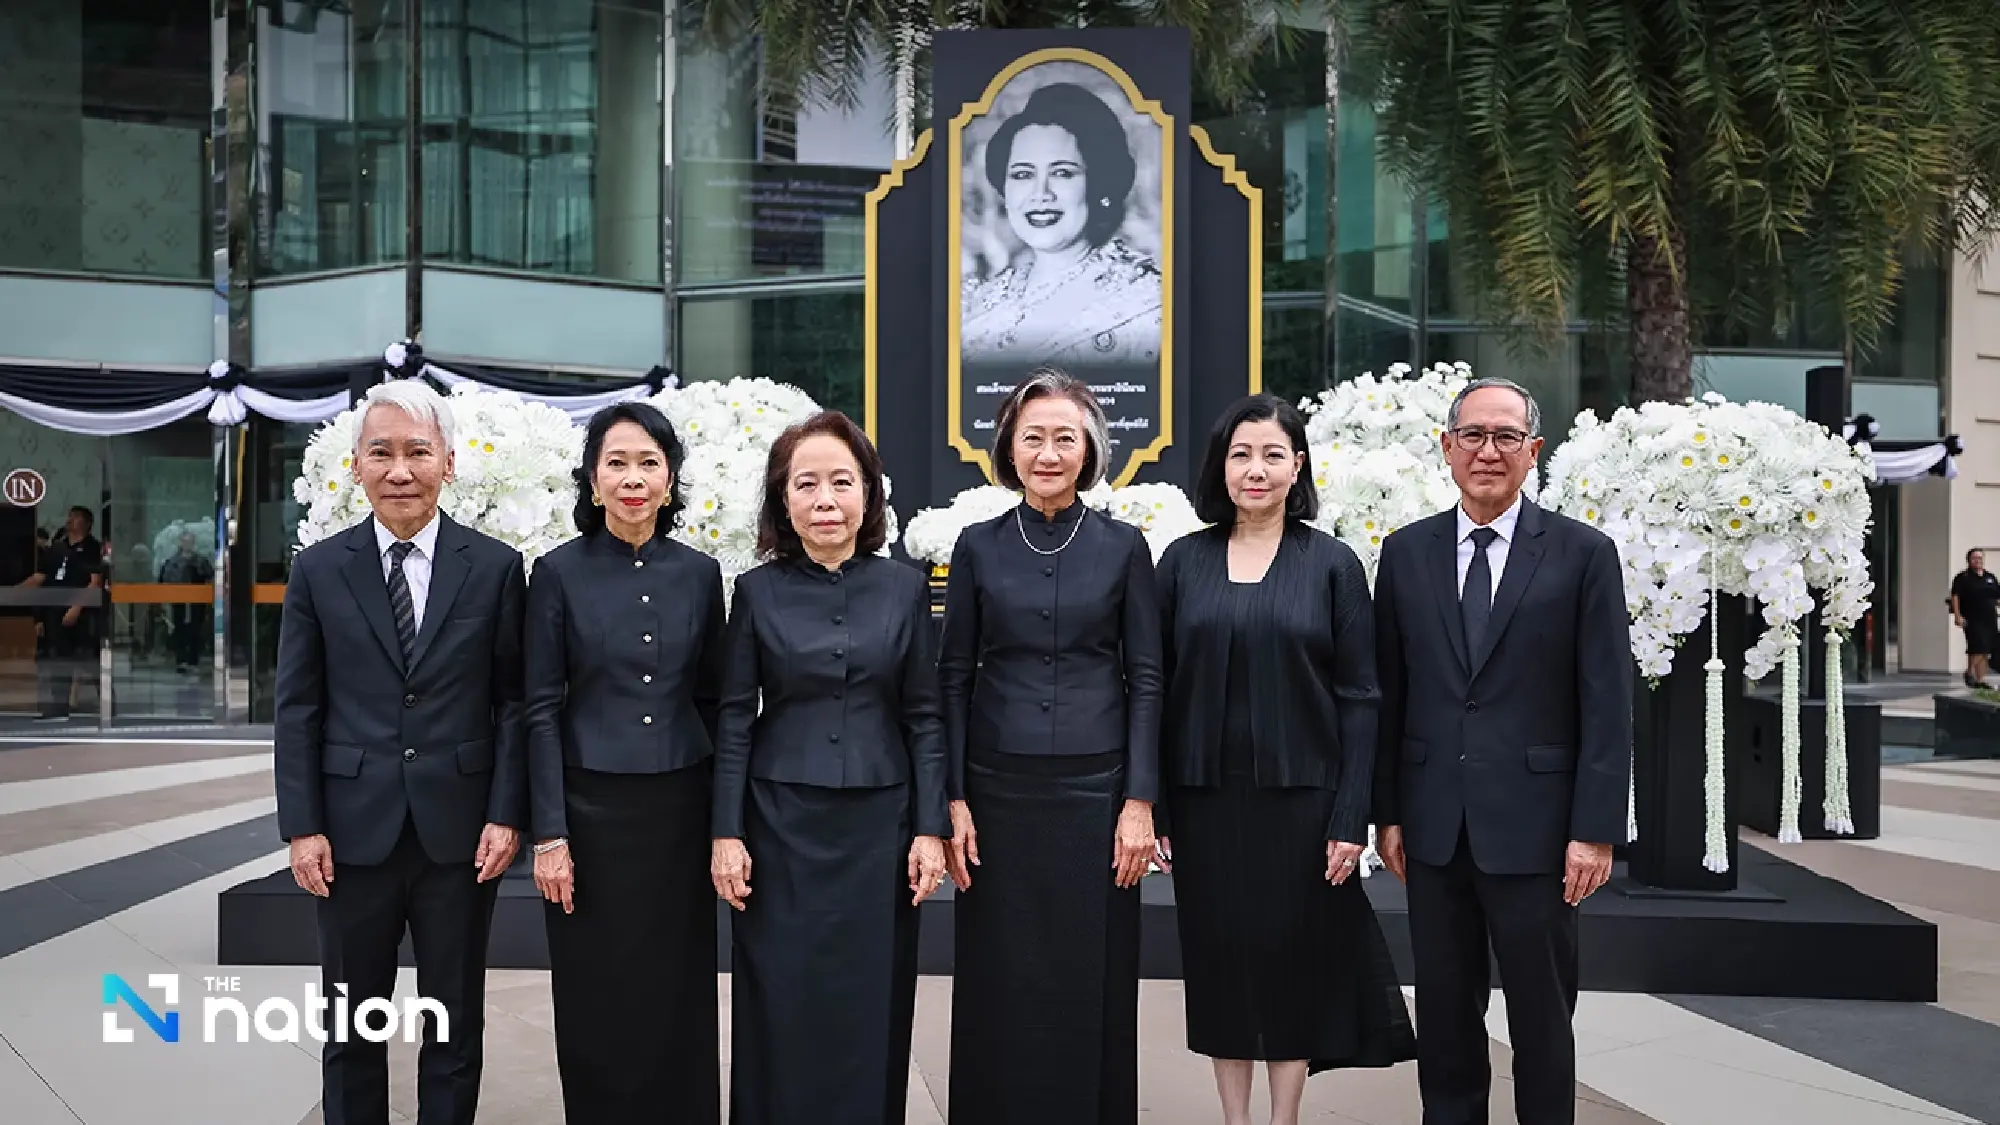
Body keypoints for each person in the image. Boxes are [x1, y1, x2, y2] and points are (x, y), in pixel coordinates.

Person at [1372, 378, 1632, 1125]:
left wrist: (1595, 829)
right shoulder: (1406, 552)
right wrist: (1387, 812)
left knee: (1542, 1018)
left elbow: (1608, 702)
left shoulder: (1584, 554)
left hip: (1541, 833)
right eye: (1474, 436)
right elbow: (1391, 692)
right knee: (1445, 1014)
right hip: (1434, 830)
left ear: (1533, 450)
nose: (1488, 451)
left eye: (1506, 437)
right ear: (1447, 446)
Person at [1156, 396, 1416, 1125]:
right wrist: (1159, 805)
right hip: (1204, 802)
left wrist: (1351, 816)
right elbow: (1154, 688)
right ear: (1221, 466)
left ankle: (1284, 1117)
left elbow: (1361, 697)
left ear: (1297, 466)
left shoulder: (1332, 564)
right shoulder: (1182, 562)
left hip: (1305, 802)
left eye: (1273, 454)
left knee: (1292, 963)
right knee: (1220, 964)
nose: (1256, 469)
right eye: (1241, 454)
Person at [274, 380, 527, 1125]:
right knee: (352, 1022)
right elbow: (298, 706)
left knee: (453, 1020)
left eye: (418, 451)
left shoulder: (495, 567)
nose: (400, 470)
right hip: (351, 833)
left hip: (461, 833)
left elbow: (514, 702)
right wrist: (303, 826)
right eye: (381, 452)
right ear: (356, 465)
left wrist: (507, 812)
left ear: (448, 462)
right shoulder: (319, 570)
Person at [710, 410, 950, 1125]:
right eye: (806, 483)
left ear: (868, 493)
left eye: (842, 482)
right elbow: (733, 717)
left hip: (881, 828)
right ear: (782, 498)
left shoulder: (905, 588)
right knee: (779, 992)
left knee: (871, 995)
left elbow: (925, 715)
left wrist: (930, 828)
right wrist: (726, 832)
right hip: (779, 826)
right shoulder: (756, 591)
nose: (825, 500)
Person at [938, 366, 1163, 1124]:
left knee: (1089, 974)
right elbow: (953, 678)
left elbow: (1147, 678)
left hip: (1097, 797)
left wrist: (1140, 800)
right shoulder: (977, 545)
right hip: (996, 795)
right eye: (1032, 437)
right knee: (1000, 974)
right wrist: (953, 799)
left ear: (1089, 449)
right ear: (1009, 446)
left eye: (1065, 437)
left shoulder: (1124, 546)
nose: (1048, 453)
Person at [523, 402, 725, 1124]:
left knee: (678, 983)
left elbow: (714, 700)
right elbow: (539, 708)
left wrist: (722, 823)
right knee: (595, 988)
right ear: (593, 479)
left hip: (678, 811)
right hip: (588, 814)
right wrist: (549, 833)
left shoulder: (701, 574)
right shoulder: (556, 573)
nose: (633, 478)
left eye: (648, 463)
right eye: (617, 463)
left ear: (670, 480)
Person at [961, 82, 1162, 369]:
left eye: (1063, 173)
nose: (1040, 194)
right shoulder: (978, 301)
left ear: (1100, 184)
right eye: (1022, 175)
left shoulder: (1146, 298)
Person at [14, 506, 104, 722]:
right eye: (69, 516)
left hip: (82, 613)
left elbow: (95, 582)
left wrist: (76, 608)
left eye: (76, 517)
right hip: (54, 610)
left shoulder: (92, 547)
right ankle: (59, 706)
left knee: (89, 659)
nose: (70, 520)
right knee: (58, 660)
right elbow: (40, 577)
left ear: (86, 523)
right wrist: (13, 592)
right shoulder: (57, 547)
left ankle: (107, 704)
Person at [159, 531, 214, 672]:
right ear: (180, 543)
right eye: (185, 541)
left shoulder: (201, 561)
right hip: (179, 602)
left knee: (196, 629)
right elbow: (165, 580)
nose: (187, 544)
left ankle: (193, 660)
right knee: (179, 629)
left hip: (197, 602)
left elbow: (210, 578)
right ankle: (181, 660)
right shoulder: (172, 562)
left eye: (190, 541)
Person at [1950, 548, 1998, 687]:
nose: (1978, 560)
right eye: (1974, 558)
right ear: (1969, 560)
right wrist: (1957, 616)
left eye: (1980, 558)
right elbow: (1955, 596)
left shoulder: (1990, 577)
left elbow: (1996, 597)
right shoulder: (1963, 578)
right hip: (1972, 619)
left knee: (1985, 649)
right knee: (1979, 647)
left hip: (1989, 618)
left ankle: (1978, 677)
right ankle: (1972, 673)